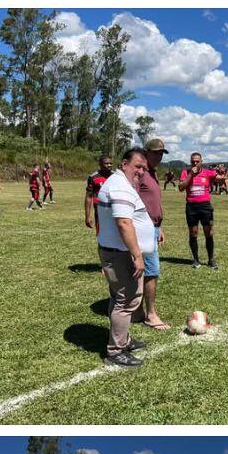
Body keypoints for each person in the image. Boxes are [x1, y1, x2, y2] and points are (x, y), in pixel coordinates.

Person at [96, 147, 155, 368]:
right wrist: (137, 255)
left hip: (115, 251)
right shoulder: (120, 186)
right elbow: (123, 223)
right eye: (137, 166)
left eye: (144, 168)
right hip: (122, 254)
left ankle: (123, 339)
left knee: (118, 298)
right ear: (124, 164)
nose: (141, 171)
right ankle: (116, 351)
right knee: (127, 300)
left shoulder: (117, 183)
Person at [138, 139, 170, 329]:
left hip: (154, 227)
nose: (159, 156)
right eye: (155, 152)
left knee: (144, 269)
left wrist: (160, 227)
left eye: (161, 153)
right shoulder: (140, 172)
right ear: (146, 152)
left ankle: (138, 311)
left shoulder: (152, 173)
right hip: (144, 228)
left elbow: (153, 202)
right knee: (151, 270)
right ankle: (151, 314)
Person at [179, 152, 222, 268]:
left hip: (205, 207)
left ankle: (211, 259)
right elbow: (181, 187)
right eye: (193, 161)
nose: (195, 163)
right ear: (190, 161)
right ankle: (196, 260)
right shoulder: (185, 172)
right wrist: (190, 175)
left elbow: (220, 178)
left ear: (201, 162)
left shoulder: (207, 173)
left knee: (209, 233)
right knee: (193, 233)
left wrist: (224, 176)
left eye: (197, 161)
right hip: (191, 207)